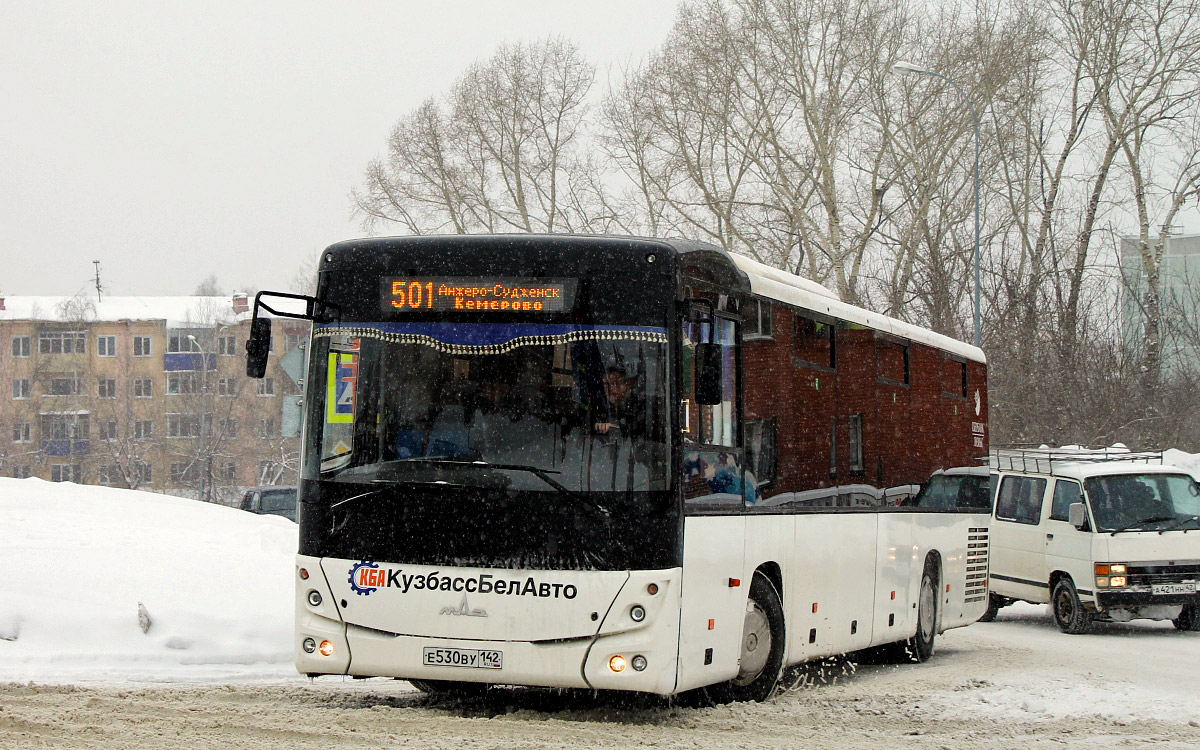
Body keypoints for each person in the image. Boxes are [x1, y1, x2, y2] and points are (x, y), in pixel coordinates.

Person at [594, 366, 645, 438]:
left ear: (627, 384)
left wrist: (615, 427)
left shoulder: (639, 404)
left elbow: (640, 433)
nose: (610, 388)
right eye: (606, 384)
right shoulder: (600, 406)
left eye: (615, 383)